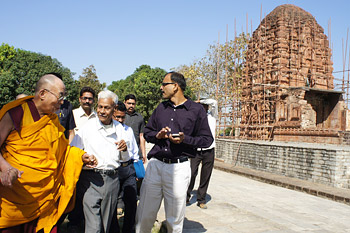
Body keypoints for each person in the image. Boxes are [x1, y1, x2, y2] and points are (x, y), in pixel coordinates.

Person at [0, 74, 97, 233]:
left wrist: (80, 156)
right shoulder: (15, 114)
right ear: (42, 94)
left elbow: (62, 150)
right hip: (14, 196)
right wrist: (5, 168)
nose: (62, 101)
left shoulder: (51, 120)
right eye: (60, 96)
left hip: (45, 198)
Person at [135, 72, 214, 233]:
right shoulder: (161, 108)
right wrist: (157, 135)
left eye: (164, 84)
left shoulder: (196, 110)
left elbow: (207, 139)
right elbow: (148, 132)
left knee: (174, 219)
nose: (161, 87)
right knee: (145, 214)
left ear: (175, 86)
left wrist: (185, 139)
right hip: (155, 166)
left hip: (179, 168)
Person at [71, 90, 127, 233]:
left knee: (105, 225)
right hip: (90, 180)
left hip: (112, 180)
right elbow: (73, 151)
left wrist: (124, 149)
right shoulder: (88, 128)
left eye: (106, 108)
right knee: (94, 227)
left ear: (114, 109)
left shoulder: (120, 129)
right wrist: (83, 158)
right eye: (100, 107)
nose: (102, 111)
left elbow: (125, 159)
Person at [68, 86, 97, 230]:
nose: (87, 101)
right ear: (79, 99)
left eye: (90, 98)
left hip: (91, 163)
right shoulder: (72, 115)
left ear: (93, 101)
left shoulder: (97, 117)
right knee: (75, 193)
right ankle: (74, 222)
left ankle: (87, 223)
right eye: (84, 98)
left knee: (89, 194)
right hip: (75, 160)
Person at [110, 101, 139, 233]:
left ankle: (129, 229)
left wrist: (136, 169)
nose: (120, 120)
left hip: (129, 169)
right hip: (114, 170)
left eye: (122, 117)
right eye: (117, 117)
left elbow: (134, 151)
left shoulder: (129, 130)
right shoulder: (108, 131)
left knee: (132, 201)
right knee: (112, 203)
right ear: (112, 115)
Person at [186, 98, 217, 209]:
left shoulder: (212, 116)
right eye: (201, 106)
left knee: (206, 175)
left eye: (204, 106)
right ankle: (186, 197)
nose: (203, 108)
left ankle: (201, 199)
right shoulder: (195, 117)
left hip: (209, 150)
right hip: (196, 150)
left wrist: (200, 101)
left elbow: (214, 102)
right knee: (191, 173)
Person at [124, 94, 146, 162]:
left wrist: (144, 153)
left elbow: (141, 136)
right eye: (129, 103)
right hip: (123, 153)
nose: (131, 106)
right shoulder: (120, 116)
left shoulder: (139, 117)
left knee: (138, 172)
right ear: (124, 102)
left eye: (133, 104)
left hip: (136, 154)